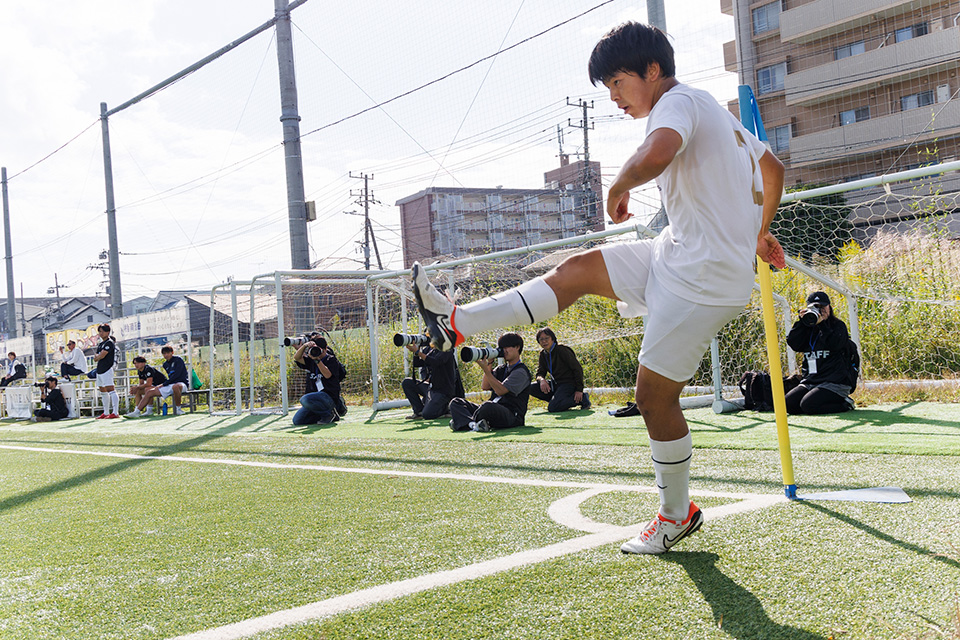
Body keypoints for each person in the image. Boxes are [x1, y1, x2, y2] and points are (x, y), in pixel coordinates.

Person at [412, 22, 786, 554]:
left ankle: (676, 514)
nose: (612, 97)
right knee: (580, 269)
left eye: (615, 82)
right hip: (675, 256)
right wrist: (759, 230)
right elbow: (773, 168)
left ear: (652, 71)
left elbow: (658, 152)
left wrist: (618, 184)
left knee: (653, 399)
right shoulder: (713, 112)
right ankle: (459, 320)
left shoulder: (674, 104)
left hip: (701, 278)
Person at [785, 291, 857, 415]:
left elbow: (836, 344)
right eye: (815, 307)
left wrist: (823, 324)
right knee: (788, 404)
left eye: (823, 307)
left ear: (829, 307)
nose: (820, 310)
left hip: (835, 382)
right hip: (811, 381)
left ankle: (845, 404)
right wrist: (802, 323)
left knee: (808, 405)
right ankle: (819, 402)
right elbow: (794, 344)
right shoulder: (808, 329)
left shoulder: (838, 326)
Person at [448, 332, 531, 432]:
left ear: (517, 347)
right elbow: (485, 386)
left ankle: (463, 422)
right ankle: (473, 425)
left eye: (506, 347)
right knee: (456, 402)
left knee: (487, 406)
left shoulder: (521, 371)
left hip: (511, 415)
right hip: (493, 407)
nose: (503, 351)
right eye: (502, 348)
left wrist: (485, 370)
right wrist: (489, 363)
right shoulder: (502, 368)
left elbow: (501, 391)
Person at [400, 330, 464, 420]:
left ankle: (446, 409)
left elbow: (436, 362)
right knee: (407, 382)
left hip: (443, 392)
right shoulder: (431, 350)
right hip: (432, 388)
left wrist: (419, 353)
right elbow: (418, 363)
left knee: (428, 415)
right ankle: (419, 411)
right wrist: (416, 352)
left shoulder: (447, 349)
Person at [528, 327, 590, 412]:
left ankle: (583, 398)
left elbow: (577, 369)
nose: (544, 341)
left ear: (553, 339)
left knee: (553, 408)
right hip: (555, 384)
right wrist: (542, 380)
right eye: (541, 339)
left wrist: (579, 389)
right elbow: (540, 373)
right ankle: (558, 400)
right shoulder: (543, 354)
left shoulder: (562, 350)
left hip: (568, 384)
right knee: (529, 387)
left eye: (547, 338)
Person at [292, 335, 346, 426]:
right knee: (298, 420)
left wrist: (318, 361)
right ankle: (327, 415)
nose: (317, 353)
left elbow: (327, 375)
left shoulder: (331, 359)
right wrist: (304, 346)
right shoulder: (311, 360)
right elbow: (297, 358)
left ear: (325, 349)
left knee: (305, 399)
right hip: (315, 399)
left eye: (319, 350)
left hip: (328, 397)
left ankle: (330, 413)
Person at [92, 324, 121, 419]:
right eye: (99, 331)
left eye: (102, 331)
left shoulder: (109, 342)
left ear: (108, 332)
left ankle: (115, 412)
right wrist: (98, 356)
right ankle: (106, 412)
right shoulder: (101, 344)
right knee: (103, 391)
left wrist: (99, 356)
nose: (101, 333)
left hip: (107, 369)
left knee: (111, 389)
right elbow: (96, 358)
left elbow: (102, 355)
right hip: (99, 370)